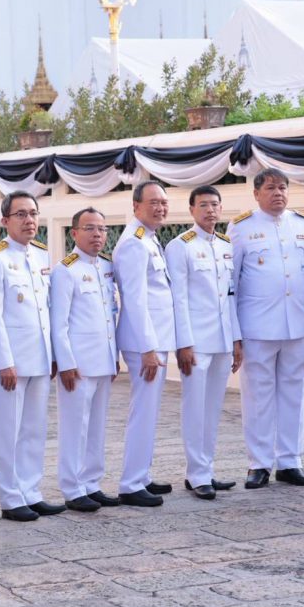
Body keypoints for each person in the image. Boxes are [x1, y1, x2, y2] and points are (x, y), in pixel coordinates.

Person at [227, 168, 304, 489]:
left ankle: (290, 461)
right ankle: (259, 463)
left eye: (282, 188)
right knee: (258, 396)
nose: (277, 193)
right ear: (256, 194)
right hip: (257, 326)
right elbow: (231, 284)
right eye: (270, 188)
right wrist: (235, 333)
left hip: (298, 324)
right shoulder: (240, 228)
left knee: (295, 393)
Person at [0, 190, 64, 522]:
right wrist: (3, 361)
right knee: (9, 430)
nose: (29, 221)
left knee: (34, 429)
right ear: (5, 221)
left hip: (39, 358)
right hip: (12, 361)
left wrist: (53, 355)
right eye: (21, 215)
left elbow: (46, 311)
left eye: (33, 214)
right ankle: (11, 497)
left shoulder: (41, 255)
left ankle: (31, 490)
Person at [165, 186, 242, 501]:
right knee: (195, 408)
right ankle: (196, 474)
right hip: (196, 342)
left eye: (215, 205)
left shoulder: (225, 245)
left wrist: (236, 340)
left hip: (223, 339)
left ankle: (205, 469)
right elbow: (178, 299)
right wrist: (184, 343)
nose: (210, 210)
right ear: (192, 209)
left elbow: (231, 297)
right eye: (204, 205)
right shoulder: (180, 246)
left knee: (212, 410)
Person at [50, 207, 121, 512]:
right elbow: (59, 323)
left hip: (102, 361)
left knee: (97, 427)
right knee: (74, 427)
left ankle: (92, 482)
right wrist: (66, 363)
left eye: (102, 229)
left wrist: (114, 356)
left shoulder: (105, 267)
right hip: (78, 365)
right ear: (74, 233)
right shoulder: (66, 270)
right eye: (90, 228)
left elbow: (109, 317)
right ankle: (72, 487)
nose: (97, 235)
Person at [112, 181, 176, 507]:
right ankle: (131, 483)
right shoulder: (135, 243)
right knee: (143, 412)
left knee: (149, 412)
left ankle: (142, 475)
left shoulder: (149, 239)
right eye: (153, 202)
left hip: (154, 339)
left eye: (164, 202)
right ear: (136, 205)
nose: (160, 208)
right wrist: (148, 348)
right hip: (143, 343)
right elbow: (135, 301)